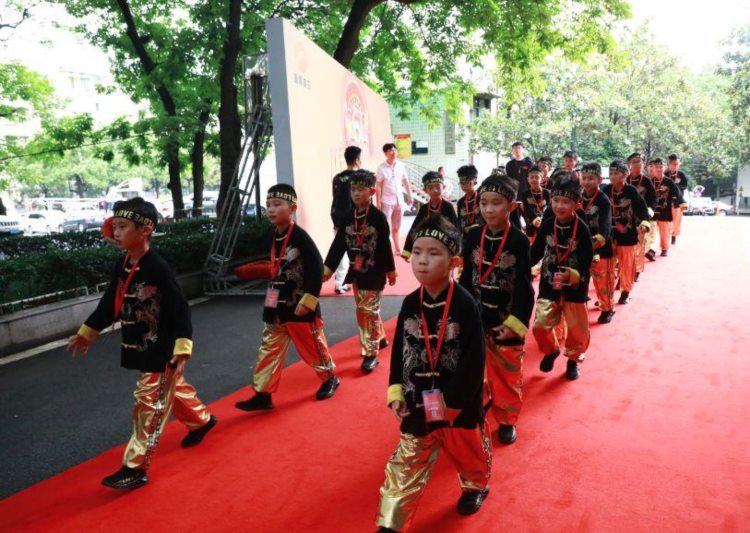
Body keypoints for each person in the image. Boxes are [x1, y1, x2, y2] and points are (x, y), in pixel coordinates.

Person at [67, 197, 217, 490]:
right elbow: (111, 300)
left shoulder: (158, 267)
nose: (116, 232)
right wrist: (88, 331)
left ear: (145, 229)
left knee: (148, 402)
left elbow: (180, 308)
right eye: (115, 227)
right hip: (139, 343)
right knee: (170, 388)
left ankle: (135, 467)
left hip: (160, 346)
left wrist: (182, 347)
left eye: (123, 226)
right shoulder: (123, 263)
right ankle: (201, 420)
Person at [376, 216, 491, 532]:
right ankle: (391, 521)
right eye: (417, 253)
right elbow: (400, 348)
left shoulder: (466, 304)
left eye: (433, 253)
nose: (422, 261)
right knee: (405, 461)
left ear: (454, 261)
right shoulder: (411, 302)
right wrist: (396, 389)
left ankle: (474, 486)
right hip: (418, 400)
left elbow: (473, 360)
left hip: (457, 404)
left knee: (467, 451)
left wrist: (453, 402)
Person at [236, 184, 339, 412]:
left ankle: (329, 377)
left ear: (292, 208)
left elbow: (315, 267)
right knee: (268, 349)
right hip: (278, 308)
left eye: (276, 205)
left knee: (312, 347)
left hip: (299, 306)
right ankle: (262, 394)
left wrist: (311, 298)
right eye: (268, 205)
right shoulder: (276, 236)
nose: (271, 209)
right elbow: (276, 271)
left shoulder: (301, 237)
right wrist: (268, 307)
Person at [459, 172, 534, 444]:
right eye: (484, 203)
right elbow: (466, 277)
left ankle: (506, 418)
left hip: (506, 318)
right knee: (472, 369)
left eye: (497, 203)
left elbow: (525, 287)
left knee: (506, 374)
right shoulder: (473, 235)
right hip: (477, 317)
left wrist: (515, 322)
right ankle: (476, 410)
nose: (489, 209)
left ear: (511, 206)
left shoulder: (519, 241)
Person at [324, 170, 398, 372]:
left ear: (372, 191)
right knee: (366, 309)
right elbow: (339, 244)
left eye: (360, 190)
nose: (356, 194)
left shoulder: (378, 217)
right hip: (356, 271)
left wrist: (391, 270)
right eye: (353, 189)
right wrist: (328, 268)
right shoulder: (348, 216)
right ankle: (379, 337)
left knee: (366, 311)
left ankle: (370, 353)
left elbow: (384, 245)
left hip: (375, 271)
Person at [530, 174, 593, 380]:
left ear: (576, 204)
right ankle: (551, 350)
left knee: (577, 331)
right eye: (556, 200)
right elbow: (536, 251)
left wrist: (576, 276)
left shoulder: (582, 228)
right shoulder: (548, 225)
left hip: (575, 286)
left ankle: (573, 360)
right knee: (540, 325)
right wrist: (521, 266)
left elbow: (586, 259)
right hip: (549, 282)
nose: (559, 206)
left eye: (566, 201)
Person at [602, 159, 650, 304]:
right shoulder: (605, 190)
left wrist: (644, 222)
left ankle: (625, 291)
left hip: (627, 234)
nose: (612, 176)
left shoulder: (631, 191)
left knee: (627, 265)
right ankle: (606, 294)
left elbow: (642, 208)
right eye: (610, 173)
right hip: (609, 234)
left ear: (625, 174)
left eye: (616, 173)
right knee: (607, 265)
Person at [579, 162, 615, 324]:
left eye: (591, 178)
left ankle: (607, 308)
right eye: (584, 178)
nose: (587, 182)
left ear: (599, 179)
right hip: (581, 246)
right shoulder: (578, 197)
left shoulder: (603, 200)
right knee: (582, 279)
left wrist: (599, 240)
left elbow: (606, 226)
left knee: (602, 280)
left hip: (601, 247)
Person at [402, 171, 460, 260]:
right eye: (430, 187)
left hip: (444, 246)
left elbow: (456, 229)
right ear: (425, 190)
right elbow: (414, 229)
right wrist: (407, 250)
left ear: (443, 187)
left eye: (438, 186)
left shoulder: (448, 207)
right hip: (427, 248)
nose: (435, 190)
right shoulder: (424, 209)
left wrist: (457, 251)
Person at [330, 146, 362, 294]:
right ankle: (352, 279)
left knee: (340, 249)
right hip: (353, 218)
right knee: (357, 248)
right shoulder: (359, 178)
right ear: (357, 159)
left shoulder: (337, 177)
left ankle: (340, 281)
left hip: (337, 217)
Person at [376, 143, 414, 255]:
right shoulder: (381, 168)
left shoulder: (401, 165)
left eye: (395, 150)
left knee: (397, 227)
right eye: (391, 151)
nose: (394, 153)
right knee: (385, 228)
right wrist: (378, 202)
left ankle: (397, 248)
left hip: (399, 201)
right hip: (386, 201)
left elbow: (405, 181)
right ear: (386, 153)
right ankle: (386, 250)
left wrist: (410, 195)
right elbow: (378, 185)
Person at [626, 152, 657, 271]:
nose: (636, 164)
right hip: (626, 216)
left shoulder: (647, 181)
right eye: (633, 162)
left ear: (643, 164)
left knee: (639, 244)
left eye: (639, 161)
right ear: (629, 164)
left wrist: (650, 210)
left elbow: (654, 198)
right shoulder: (625, 179)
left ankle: (637, 269)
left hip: (641, 217)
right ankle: (624, 270)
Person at [649, 158, 686, 257]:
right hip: (653, 210)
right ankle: (651, 250)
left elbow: (677, 192)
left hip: (665, 209)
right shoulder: (650, 181)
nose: (659, 169)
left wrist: (682, 203)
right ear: (653, 168)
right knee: (652, 231)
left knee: (664, 230)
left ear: (664, 167)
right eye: (656, 167)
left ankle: (664, 248)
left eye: (661, 167)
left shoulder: (668, 181)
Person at [518, 165, 551, 242]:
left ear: (542, 179)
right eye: (532, 177)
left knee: (543, 241)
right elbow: (526, 208)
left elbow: (549, 207)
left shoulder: (546, 193)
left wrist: (543, 220)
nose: (534, 179)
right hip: (530, 220)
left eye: (537, 177)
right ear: (528, 179)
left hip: (544, 220)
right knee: (531, 241)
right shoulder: (525, 193)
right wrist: (534, 219)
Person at [666, 154, 688, 244]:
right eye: (674, 164)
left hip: (677, 201)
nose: (676, 166)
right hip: (667, 201)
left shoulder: (681, 174)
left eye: (678, 164)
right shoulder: (665, 174)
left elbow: (684, 186)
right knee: (666, 220)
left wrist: (675, 187)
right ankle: (666, 235)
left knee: (676, 220)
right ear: (669, 164)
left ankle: (673, 235)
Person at [456, 164, 484, 236]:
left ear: (475, 182)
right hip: (466, 238)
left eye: (467, 183)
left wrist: (477, 226)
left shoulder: (482, 199)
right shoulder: (460, 202)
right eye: (462, 183)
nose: (464, 186)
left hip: (481, 235)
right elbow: (459, 222)